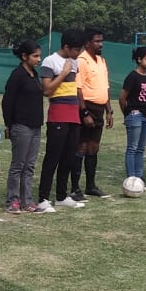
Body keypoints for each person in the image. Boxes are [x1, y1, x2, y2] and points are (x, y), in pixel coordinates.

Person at [37, 29, 86, 210]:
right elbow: (47, 90)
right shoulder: (50, 61)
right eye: (76, 50)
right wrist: (64, 73)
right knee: (53, 157)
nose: (79, 53)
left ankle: (61, 196)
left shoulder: (75, 61)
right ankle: (43, 198)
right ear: (66, 47)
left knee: (68, 158)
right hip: (58, 115)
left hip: (73, 116)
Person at [2, 40, 44, 214]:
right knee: (18, 165)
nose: (39, 59)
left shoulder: (34, 74)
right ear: (24, 56)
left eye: (39, 56)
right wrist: (9, 125)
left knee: (30, 165)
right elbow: (7, 102)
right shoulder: (17, 75)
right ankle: (13, 200)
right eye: (35, 56)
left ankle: (27, 201)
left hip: (35, 127)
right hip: (21, 126)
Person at [73, 27, 113, 198]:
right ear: (88, 43)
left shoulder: (101, 60)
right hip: (86, 108)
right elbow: (78, 88)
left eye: (101, 41)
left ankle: (91, 185)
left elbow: (105, 86)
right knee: (81, 147)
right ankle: (75, 187)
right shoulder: (81, 60)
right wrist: (84, 113)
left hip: (100, 109)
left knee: (93, 147)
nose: (100, 44)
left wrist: (109, 110)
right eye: (97, 41)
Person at [120, 46, 146, 182]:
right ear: (139, 59)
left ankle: (139, 177)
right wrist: (128, 114)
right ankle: (131, 177)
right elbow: (122, 98)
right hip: (135, 114)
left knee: (141, 148)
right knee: (132, 148)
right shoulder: (132, 76)